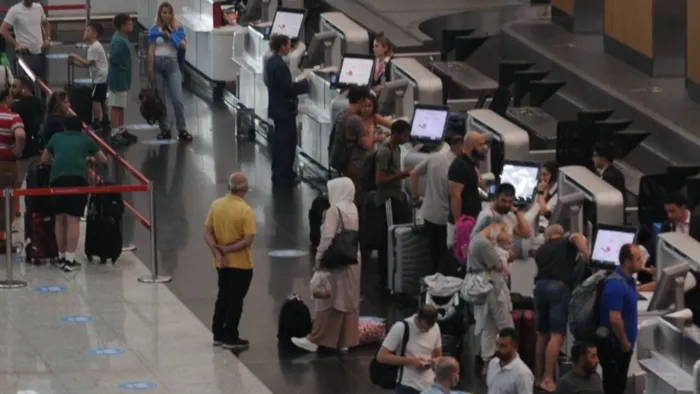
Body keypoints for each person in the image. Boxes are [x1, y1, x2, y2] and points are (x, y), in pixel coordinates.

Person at [291, 177, 361, 352]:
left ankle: (316, 339)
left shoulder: (334, 210)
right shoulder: (353, 207)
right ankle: (344, 340)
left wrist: (318, 258)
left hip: (335, 258)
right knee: (347, 298)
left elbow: (327, 238)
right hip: (353, 257)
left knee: (327, 298)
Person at [40, 116, 108, 272]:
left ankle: (61, 256)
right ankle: (70, 261)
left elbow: (44, 159)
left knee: (59, 219)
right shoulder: (85, 139)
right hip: (77, 180)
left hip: (57, 180)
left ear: (64, 127)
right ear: (81, 128)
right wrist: (88, 157)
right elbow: (103, 160)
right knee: (73, 220)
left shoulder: (56, 137)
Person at [534, 224, 590, 392]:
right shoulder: (566, 241)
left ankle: (538, 377)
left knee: (542, 335)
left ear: (548, 236)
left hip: (540, 288)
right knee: (557, 336)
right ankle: (549, 379)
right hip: (558, 287)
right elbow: (577, 237)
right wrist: (588, 255)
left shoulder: (541, 250)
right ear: (560, 234)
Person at [205, 172, 256, 350]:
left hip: (221, 264)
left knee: (223, 295)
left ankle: (217, 333)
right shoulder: (246, 210)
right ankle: (230, 335)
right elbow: (248, 239)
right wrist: (228, 249)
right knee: (236, 299)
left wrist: (217, 252)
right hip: (241, 264)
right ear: (245, 190)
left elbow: (207, 232)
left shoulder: (216, 205)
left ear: (229, 188)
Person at [409, 133, 462, 274]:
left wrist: (415, 198)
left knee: (432, 254)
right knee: (445, 257)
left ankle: (431, 286)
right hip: (445, 218)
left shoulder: (434, 157)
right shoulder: (457, 166)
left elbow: (413, 173)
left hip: (429, 214)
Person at [466, 215, 515, 368]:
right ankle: (510, 361)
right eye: (501, 229)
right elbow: (499, 266)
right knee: (506, 326)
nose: (502, 233)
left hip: (485, 288)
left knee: (489, 327)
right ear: (493, 225)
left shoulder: (476, 240)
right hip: (493, 288)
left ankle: (487, 364)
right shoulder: (484, 244)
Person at [597, 243, 642, 394]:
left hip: (621, 346)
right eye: (638, 258)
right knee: (614, 387)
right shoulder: (616, 284)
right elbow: (615, 319)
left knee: (619, 386)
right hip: (614, 347)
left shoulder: (628, 282)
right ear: (627, 262)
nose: (641, 261)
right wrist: (624, 343)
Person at [265, 33, 309, 185]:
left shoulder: (271, 62)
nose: (290, 48)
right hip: (284, 111)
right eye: (289, 45)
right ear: (282, 46)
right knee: (287, 143)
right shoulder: (280, 66)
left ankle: (277, 171)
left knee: (279, 142)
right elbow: (288, 88)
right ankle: (285, 175)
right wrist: (305, 84)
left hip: (276, 109)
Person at [375, 119, 412, 290]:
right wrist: (401, 175)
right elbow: (380, 179)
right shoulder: (385, 151)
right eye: (404, 135)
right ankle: (385, 277)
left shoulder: (396, 148)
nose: (406, 138)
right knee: (387, 238)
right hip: (387, 199)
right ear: (396, 133)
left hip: (396, 197)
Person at [148, 2, 192, 142]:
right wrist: (150, 70)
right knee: (160, 99)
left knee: (177, 98)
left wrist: (171, 35)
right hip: (158, 64)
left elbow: (183, 46)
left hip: (173, 64)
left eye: (169, 12)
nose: (166, 15)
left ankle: (182, 129)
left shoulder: (178, 29)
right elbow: (151, 50)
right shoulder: (154, 30)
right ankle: (164, 129)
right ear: (160, 14)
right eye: (164, 12)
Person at [377, 305, 443, 394]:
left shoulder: (435, 327)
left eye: (429, 328)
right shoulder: (401, 327)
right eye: (424, 328)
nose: (427, 331)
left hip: (429, 384)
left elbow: (439, 356)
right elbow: (381, 356)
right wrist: (411, 361)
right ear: (418, 318)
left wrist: (432, 362)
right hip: (407, 384)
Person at [333, 86, 373, 205]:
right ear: (360, 100)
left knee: (347, 195)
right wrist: (371, 133)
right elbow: (367, 145)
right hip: (355, 165)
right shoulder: (356, 120)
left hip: (343, 161)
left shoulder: (341, 114)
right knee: (357, 198)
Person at [447, 131, 488, 246]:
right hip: (462, 225)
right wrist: (458, 225)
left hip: (471, 222)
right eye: (480, 145)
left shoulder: (470, 164)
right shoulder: (459, 166)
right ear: (471, 146)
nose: (484, 148)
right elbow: (455, 197)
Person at [68, 22, 109, 130]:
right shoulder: (95, 46)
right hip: (102, 76)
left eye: (88, 31)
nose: (85, 32)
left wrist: (75, 56)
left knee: (95, 99)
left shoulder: (94, 47)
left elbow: (87, 63)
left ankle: (96, 121)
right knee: (102, 98)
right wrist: (75, 64)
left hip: (99, 77)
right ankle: (105, 119)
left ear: (95, 33)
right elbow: (89, 64)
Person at [107, 13, 137, 146]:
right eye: (129, 23)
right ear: (122, 26)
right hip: (118, 77)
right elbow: (113, 58)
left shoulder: (121, 38)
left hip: (122, 77)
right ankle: (115, 132)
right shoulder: (119, 41)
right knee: (116, 105)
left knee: (121, 104)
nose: (132, 25)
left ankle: (121, 128)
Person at [0, 0, 50, 81]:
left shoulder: (38, 7)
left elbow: (45, 23)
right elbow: (3, 30)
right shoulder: (15, 10)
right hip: (25, 54)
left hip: (40, 52)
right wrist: (16, 44)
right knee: (26, 83)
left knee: (42, 82)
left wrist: (47, 39)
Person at [0, 88, 25, 236]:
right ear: (6, 98)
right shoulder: (13, 117)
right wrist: (17, 151)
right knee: (7, 202)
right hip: (6, 164)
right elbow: (20, 135)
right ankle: (3, 239)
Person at [485, 327, 535, 394]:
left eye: (502, 346)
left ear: (514, 347)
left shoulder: (523, 374)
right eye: (497, 344)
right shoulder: (493, 363)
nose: (497, 349)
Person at [9, 75, 41, 157]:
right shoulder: (39, 103)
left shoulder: (16, 106)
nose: (11, 89)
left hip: (20, 149)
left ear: (24, 89)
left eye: (14, 86)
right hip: (34, 146)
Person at [536, 160, 559, 230]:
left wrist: (540, 192)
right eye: (541, 174)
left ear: (553, 176)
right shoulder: (545, 187)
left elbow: (544, 212)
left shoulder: (557, 193)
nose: (541, 178)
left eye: (545, 175)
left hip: (546, 226)